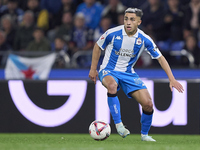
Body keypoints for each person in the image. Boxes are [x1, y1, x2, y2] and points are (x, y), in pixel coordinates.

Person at [88, 8, 184, 141]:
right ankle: (119, 125)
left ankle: (144, 135)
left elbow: (160, 58)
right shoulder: (112, 33)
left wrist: (172, 79)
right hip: (109, 70)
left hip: (128, 74)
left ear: (139, 22)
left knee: (148, 104)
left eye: (132, 19)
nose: (128, 22)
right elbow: (98, 46)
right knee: (112, 85)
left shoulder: (144, 39)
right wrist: (93, 69)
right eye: (126, 19)